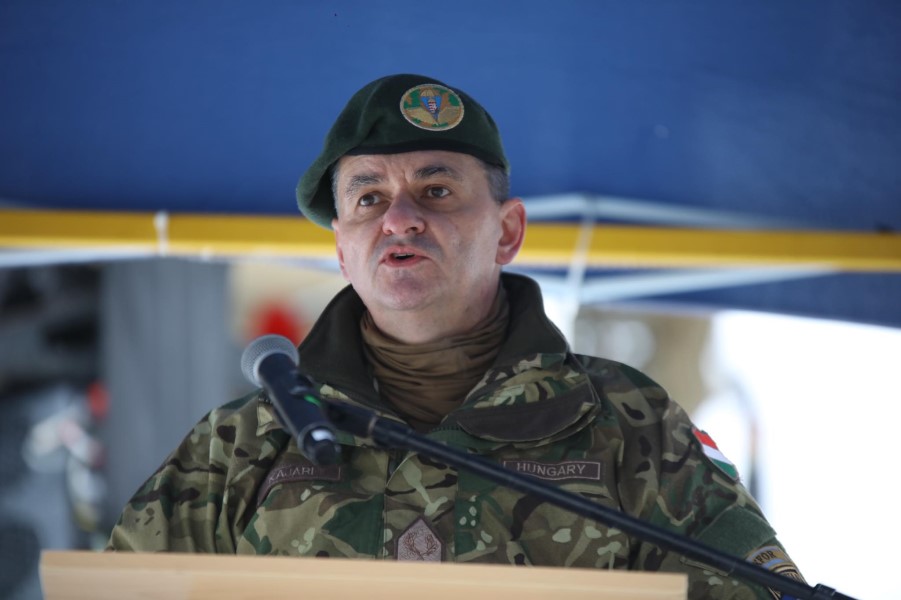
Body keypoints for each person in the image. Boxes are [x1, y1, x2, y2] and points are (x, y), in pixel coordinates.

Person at [107, 74, 804, 598]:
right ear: (342, 250)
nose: (399, 219)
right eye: (368, 197)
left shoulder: (629, 421)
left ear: (507, 231)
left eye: (436, 191)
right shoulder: (240, 443)